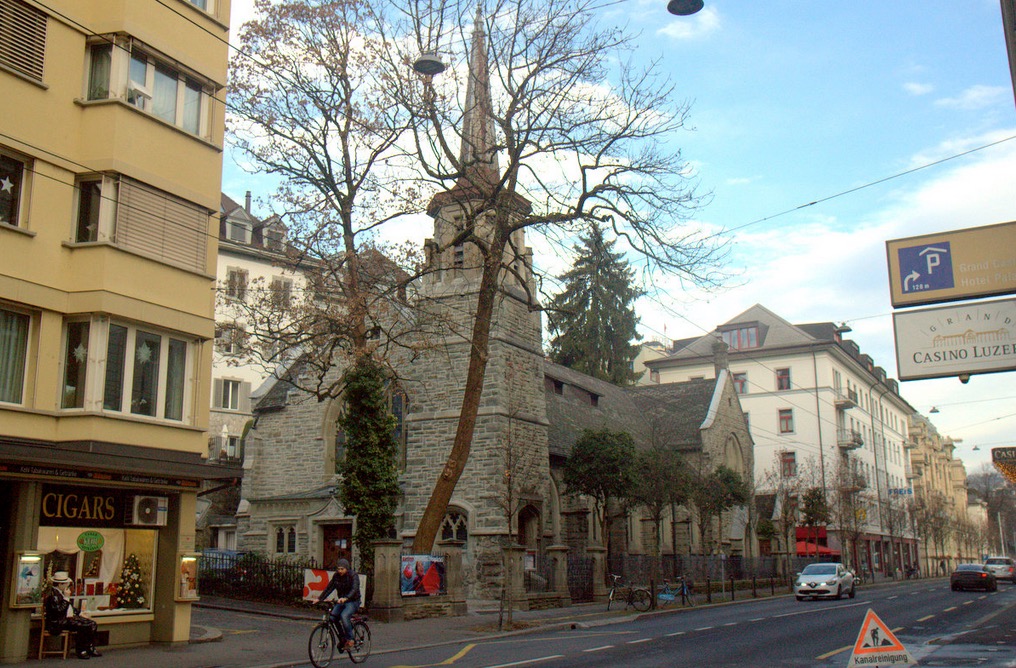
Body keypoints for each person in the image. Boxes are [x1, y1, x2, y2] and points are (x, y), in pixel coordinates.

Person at [43, 571, 101, 660]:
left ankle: (90, 647)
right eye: (66, 583)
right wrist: (66, 598)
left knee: (92, 623)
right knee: (84, 625)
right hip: (58, 622)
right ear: (60, 584)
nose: (67, 585)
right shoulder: (53, 595)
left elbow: (70, 607)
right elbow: (59, 611)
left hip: (65, 619)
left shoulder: (60, 593)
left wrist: (80, 613)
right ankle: (81, 650)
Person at [316, 559, 360, 650]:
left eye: (342, 569)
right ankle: (343, 638)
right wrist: (319, 599)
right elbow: (329, 588)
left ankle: (350, 639)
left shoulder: (353, 576)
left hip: (353, 601)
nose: (340, 571)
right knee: (332, 617)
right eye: (338, 569)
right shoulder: (336, 576)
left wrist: (346, 598)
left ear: (347, 568)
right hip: (341, 601)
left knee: (344, 616)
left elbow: (354, 589)